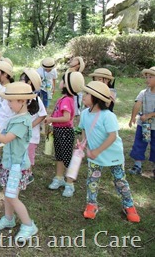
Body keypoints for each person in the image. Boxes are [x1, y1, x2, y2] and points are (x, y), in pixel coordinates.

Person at [0, 82, 40, 243]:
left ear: (22, 101)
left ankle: (28, 225)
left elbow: (5, 139)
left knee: (12, 197)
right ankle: (8, 218)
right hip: (8, 164)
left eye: (11, 101)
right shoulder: (16, 117)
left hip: (17, 167)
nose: (8, 104)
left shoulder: (22, 122)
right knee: (7, 194)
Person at [80, 81, 140, 222]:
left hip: (113, 155)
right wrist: (83, 143)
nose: (83, 95)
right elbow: (84, 129)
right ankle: (91, 204)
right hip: (95, 154)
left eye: (87, 93)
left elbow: (112, 136)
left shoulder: (108, 116)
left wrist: (96, 151)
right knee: (92, 180)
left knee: (120, 181)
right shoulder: (84, 114)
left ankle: (129, 206)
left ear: (96, 98)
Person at [44, 71, 84, 198]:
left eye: (63, 80)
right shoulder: (64, 99)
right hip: (59, 131)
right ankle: (59, 177)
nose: (60, 82)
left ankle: (69, 184)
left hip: (65, 132)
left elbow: (66, 118)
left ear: (67, 85)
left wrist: (51, 120)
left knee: (67, 159)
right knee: (60, 156)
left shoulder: (67, 100)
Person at [19, 68, 47, 182]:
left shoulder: (36, 99)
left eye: (22, 79)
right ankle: (23, 173)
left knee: (29, 155)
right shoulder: (21, 97)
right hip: (21, 135)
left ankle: (29, 174)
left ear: (29, 82)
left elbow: (43, 115)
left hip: (31, 136)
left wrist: (30, 125)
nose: (19, 81)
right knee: (22, 154)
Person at [128, 66, 155, 177]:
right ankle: (137, 165)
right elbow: (137, 104)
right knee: (140, 143)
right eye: (146, 77)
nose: (147, 79)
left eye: (151, 77)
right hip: (145, 126)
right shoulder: (144, 92)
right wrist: (133, 117)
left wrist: (149, 115)